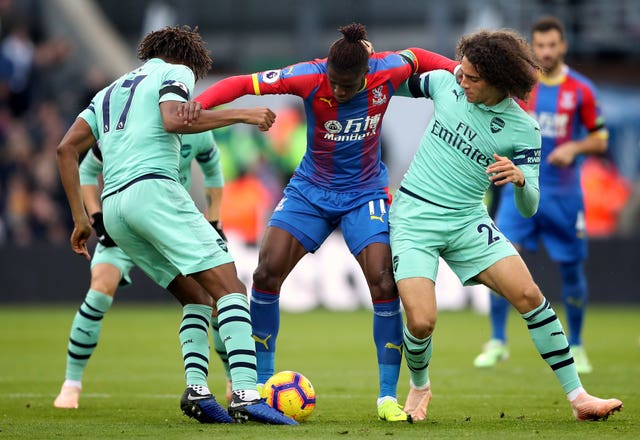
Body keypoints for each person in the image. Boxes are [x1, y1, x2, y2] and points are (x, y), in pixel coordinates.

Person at [185, 22, 459, 422]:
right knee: (265, 274)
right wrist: (199, 102)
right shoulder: (309, 76)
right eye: (334, 83)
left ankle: (386, 396)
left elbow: (421, 56)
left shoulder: (388, 69)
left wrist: (458, 72)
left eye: (347, 86)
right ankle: (260, 385)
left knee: (384, 282)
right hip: (310, 191)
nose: (338, 91)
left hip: (365, 194)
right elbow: (242, 82)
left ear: (366, 75)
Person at [56, 25, 296, 425]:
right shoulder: (176, 70)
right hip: (155, 192)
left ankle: (198, 391)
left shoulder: (108, 93)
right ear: (188, 59)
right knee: (231, 286)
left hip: (115, 208)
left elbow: (66, 150)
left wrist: (82, 220)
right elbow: (173, 119)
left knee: (197, 298)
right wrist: (244, 112)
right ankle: (247, 394)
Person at [389, 28, 623, 422]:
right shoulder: (446, 84)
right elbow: (386, 83)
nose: (462, 81)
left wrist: (519, 180)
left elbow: (530, 206)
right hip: (415, 217)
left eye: (472, 78)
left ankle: (579, 397)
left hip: (467, 221)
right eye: (460, 72)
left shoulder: (523, 129)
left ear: (500, 82)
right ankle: (419, 384)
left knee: (530, 296)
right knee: (422, 320)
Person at [53, 131, 234, 409]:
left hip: (168, 224)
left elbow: (213, 172)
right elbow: (87, 170)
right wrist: (97, 217)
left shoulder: (199, 131)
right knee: (100, 289)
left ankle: (233, 380)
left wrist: (215, 219)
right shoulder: (128, 127)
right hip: (123, 222)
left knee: (213, 299)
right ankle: (71, 384)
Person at [473, 16, 609, 374]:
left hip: (563, 196)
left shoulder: (581, 89)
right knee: (499, 260)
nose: (546, 52)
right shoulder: (521, 88)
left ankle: (577, 345)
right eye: (540, 46)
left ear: (563, 46)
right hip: (518, 189)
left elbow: (600, 138)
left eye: (553, 45)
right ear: (532, 48)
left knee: (570, 267)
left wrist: (575, 148)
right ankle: (498, 340)